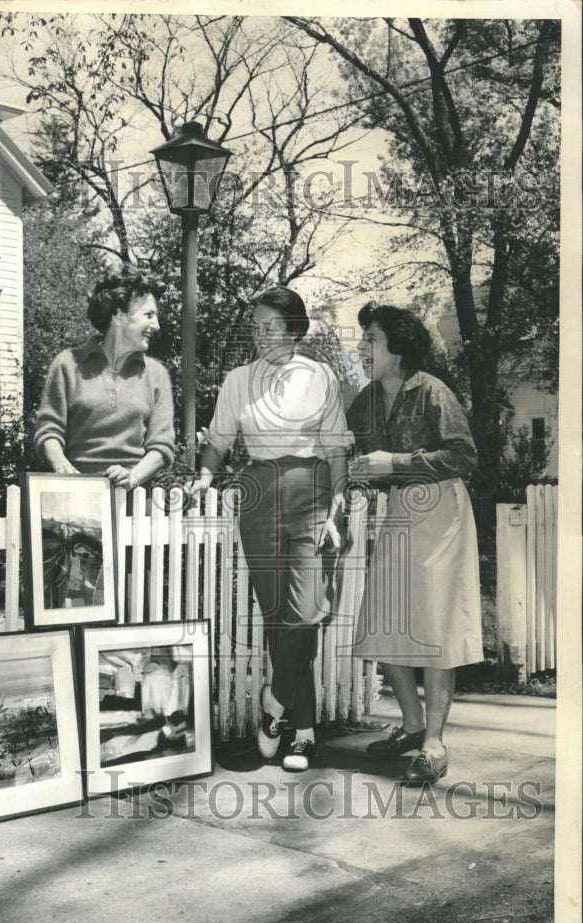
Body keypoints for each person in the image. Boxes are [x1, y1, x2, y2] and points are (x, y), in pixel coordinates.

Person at [189, 286, 350, 772]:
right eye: (255, 327)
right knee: (277, 614)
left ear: (295, 330)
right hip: (258, 493)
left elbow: (338, 447)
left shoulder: (321, 376)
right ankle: (302, 734)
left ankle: (274, 703)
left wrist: (338, 507)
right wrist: (203, 476)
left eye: (270, 327)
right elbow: (218, 439)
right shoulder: (239, 380)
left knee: (305, 612)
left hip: (312, 489)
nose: (259, 336)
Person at [347, 302, 483, 786]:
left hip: (441, 511)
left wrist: (396, 462)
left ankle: (434, 742)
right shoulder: (363, 401)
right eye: (363, 339)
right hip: (398, 513)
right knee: (386, 618)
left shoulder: (432, 391)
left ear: (398, 347)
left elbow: (463, 455)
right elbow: (362, 465)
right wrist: (356, 486)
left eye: (372, 339)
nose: (363, 347)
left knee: (435, 625)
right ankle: (411, 725)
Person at [33, 265, 175, 490]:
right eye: (149, 315)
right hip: (76, 494)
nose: (156, 325)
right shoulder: (67, 364)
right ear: (119, 315)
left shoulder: (157, 375)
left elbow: (162, 447)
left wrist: (132, 477)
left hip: (134, 502)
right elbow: (48, 431)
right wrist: (63, 468)